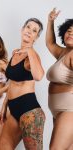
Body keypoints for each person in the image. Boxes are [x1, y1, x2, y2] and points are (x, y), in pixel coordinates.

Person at [0, 18, 45, 150]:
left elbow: (39, 76)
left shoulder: (32, 56)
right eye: (28, 27)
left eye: (34, 31)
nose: (29, 31)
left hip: (30, 112)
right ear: (22, 30)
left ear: (36, 37)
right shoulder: (16, 53)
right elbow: (13, 82)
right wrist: (4, 105)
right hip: (13, 111)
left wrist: (30, 51)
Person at [46, 8, 73, 150]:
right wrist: (50, 21)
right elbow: (50, 43)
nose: (71, 33)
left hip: (70, 109)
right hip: (59, 110)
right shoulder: (63, 52)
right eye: (69, 30)